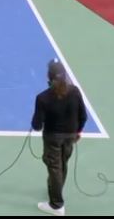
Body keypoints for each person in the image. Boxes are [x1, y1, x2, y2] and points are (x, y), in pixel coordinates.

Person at [32, 60, 87, 217]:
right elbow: (83, 116)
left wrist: (36, 122)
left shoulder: (42, 98)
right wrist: (78, 132)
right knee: (62, 163)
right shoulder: (75, 92)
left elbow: (37, 125)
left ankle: (56, 205)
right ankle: (55, 189)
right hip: (70, 136)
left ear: (49, 77)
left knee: (54, 167)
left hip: (53, 139)